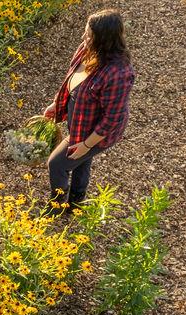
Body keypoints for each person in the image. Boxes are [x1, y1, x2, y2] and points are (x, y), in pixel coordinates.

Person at [42, 9, 135, 217]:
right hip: (80, 119)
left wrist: (86, 145)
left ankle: (56, 208)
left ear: (104, 40)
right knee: (80, 161)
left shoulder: (118, 73)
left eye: (89, 35)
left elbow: (112, 119)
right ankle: (76, 203)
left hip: (97, 132)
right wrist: (56, 105)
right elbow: (71, 79)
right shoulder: (87, 49)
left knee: (57, 164)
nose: (84, 38)